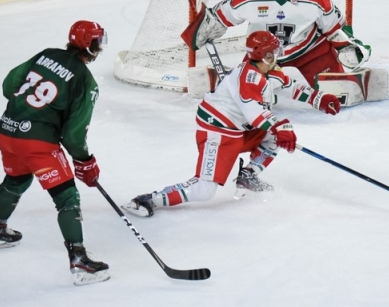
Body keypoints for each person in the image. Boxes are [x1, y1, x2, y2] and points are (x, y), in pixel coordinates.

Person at [124, 31, 341, 217]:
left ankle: (247, 176)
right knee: (204, 190)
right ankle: (149, 199)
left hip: (239, 129)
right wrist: (279, 126)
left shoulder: (267, 70)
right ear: (262, 55)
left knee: (274, 137)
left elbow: (289, 86)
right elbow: (254, 112)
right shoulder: (248, 77)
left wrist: (318, 98)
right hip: (218, 134)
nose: (276, 55)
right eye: (272, 52)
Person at [0, 21, 110, 286]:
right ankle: (79, 260)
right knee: (67, 198)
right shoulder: (86, 81)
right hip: (37, 143)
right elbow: (74, 136)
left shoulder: (46, 54)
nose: (101, 47)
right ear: (90, 45)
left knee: (17, 179)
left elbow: (9, 86)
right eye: (98, 41)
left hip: (7, 130)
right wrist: (85, 161)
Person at [181, 0, 372, 88]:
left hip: (310, 51)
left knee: (335, 91)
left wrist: (348, 46)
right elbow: (220, 16)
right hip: (263, 56)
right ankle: (242, 81)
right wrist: (203, 29)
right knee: (251, 94)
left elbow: (336, 27)